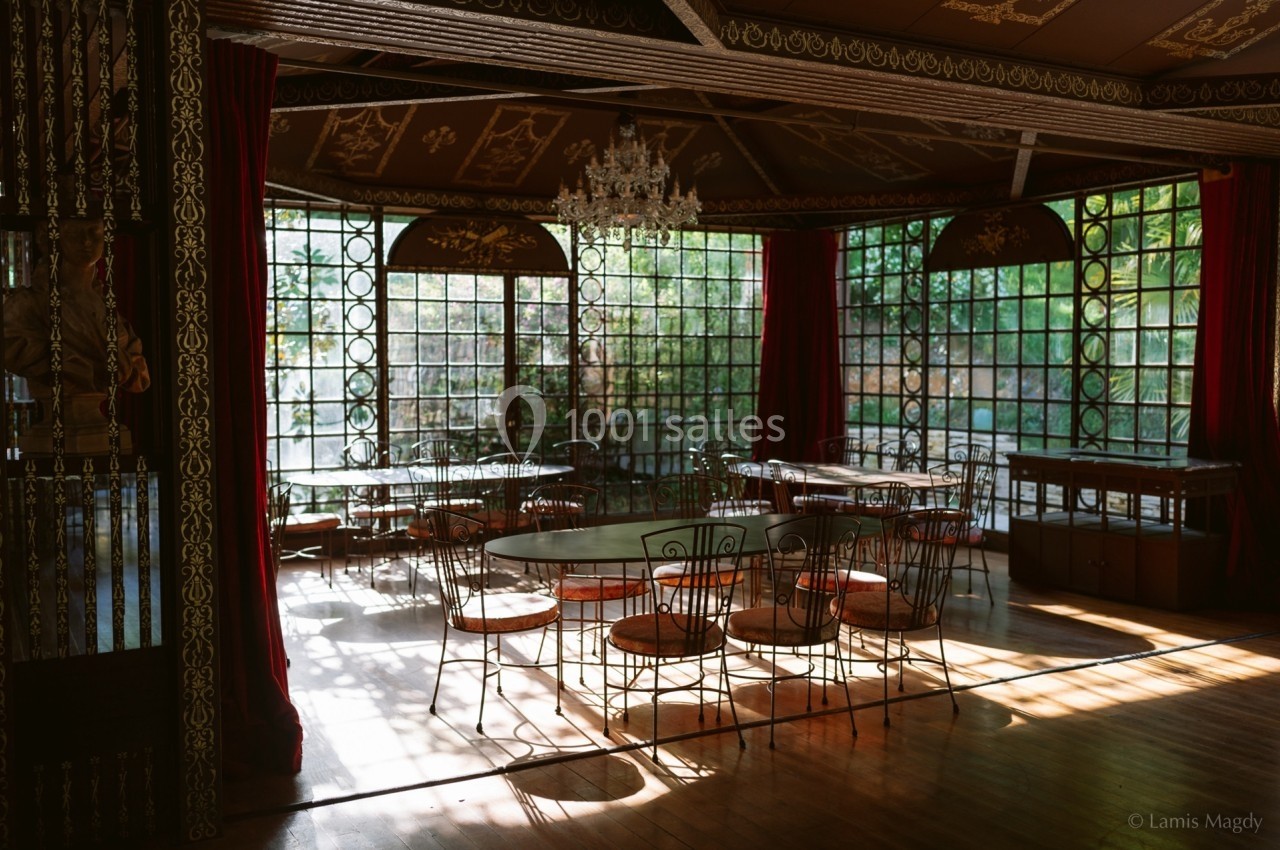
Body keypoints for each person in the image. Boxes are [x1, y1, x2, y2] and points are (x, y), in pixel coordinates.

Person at [3, 214, 150, 397]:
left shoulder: (105, 306)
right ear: (53, 237)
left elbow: (136, 366)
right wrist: (86, 368)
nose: (87, 242)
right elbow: (16, 349)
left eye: (94, 233)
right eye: (74, 234)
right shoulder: (25, 306)